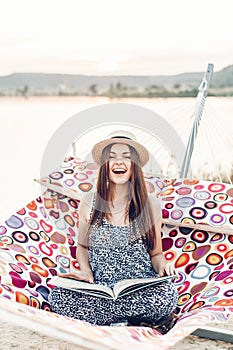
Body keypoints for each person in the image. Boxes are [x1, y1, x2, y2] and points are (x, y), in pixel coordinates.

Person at [49, 130, 178, 327]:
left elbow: (156, 252)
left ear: (134, 166)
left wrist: (163, 267)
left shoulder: (150, 204)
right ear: (105, 166)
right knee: (58, 297)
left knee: (167, 295)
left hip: (140, 288)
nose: (119, 162)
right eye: (112, 157)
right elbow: (82, 247)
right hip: (101, 289)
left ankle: (113, 320)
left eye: (126, 157)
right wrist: (85, 272)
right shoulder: (89, 201)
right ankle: (131, 320)